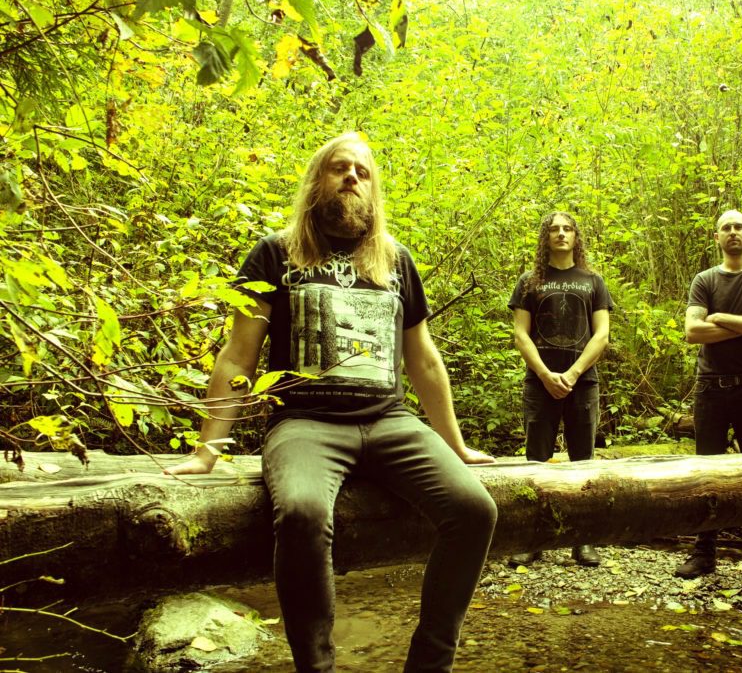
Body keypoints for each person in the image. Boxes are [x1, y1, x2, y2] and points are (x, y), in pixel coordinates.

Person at [163, 132, 498, 673]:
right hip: (304, 424)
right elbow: (238, 356)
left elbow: (424, 360)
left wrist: (455, 445)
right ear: (317, 179)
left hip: (390, 421)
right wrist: (208, 451)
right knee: (302, 511)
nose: (352, 178)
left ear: (374, 189)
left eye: (363, 172)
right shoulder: (275, 253)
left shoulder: (395, 260)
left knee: (475, 510)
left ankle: (430, 664)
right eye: (340, 168)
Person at [674, 209, 742, 590]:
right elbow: (692, 332)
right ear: (716, 237)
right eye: (726, 228)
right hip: (711, 387)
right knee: (707, 473)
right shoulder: (704, 280)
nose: (733, 232)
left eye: (739, 227)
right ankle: (704, 552)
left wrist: (719, 318)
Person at [507, 211, 612, 568]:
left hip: (583, 383)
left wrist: (572, 373)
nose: (561, 234)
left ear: (576, 237)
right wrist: (546, 375)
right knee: (536, 461)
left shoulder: (593, 281)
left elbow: (602, 335)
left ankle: (583, 541)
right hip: (540, 384)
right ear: (546, 237)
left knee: (583, 462)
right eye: (554, 229)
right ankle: (531, 540)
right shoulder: (529, 281)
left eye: (568, 229)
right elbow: (521, 335)